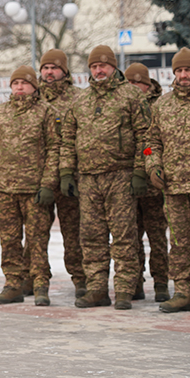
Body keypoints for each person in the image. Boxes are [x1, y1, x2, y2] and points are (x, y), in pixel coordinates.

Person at [60, 45, 151, 310]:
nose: (98, 70)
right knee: (91, 237)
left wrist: (140, 171)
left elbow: (146, 137)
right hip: (88, 179)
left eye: (103, 65)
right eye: (94, 66)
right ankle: (97, 289)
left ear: (113, 67)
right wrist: (66, 172)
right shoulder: (80, 100)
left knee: (124, 235)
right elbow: (68, 139)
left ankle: (124, 289)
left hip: (121, 176)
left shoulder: (132, 95)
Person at [0, 66, 60, 306]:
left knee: (37, 240)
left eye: (24, 83)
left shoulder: (47, 112)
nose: (20, 87)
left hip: (35, 190)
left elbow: (55, 149)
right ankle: (13, 284)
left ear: (34, 86)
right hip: (6, 189)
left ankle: (40, 284)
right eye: (15, 83)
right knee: (9, 240)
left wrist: (48, 184)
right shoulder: (0, 113)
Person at [144, 47, 190, 315]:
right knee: (179, 242)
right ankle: (183, 291)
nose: (183, 75)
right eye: (179, 70)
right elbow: (150, 143)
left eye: (188, 70)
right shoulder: (162, 105)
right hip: (173, 187)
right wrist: (153, 165)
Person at [24, 49, 86, 298]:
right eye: (45, 68)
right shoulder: (32, 96)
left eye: (54, 68)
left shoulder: (79, 98)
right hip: (38, 179)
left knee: (74, 233)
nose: (49, 72)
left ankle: (81, 278)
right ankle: (33, 278)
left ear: (65, 71)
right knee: (35, 233)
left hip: (72, 178)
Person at [125, 62, 169, 302]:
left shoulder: (159, 106)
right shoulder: (123, 104)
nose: (132, 87)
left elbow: (152, 145)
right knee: (131, 236)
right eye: (128, 82)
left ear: (147, 84)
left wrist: (150, 169)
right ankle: (135, 281)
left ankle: (161, 282)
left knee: (157, 236)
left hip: (153, 184)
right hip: (128, 183)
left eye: (136, 82)